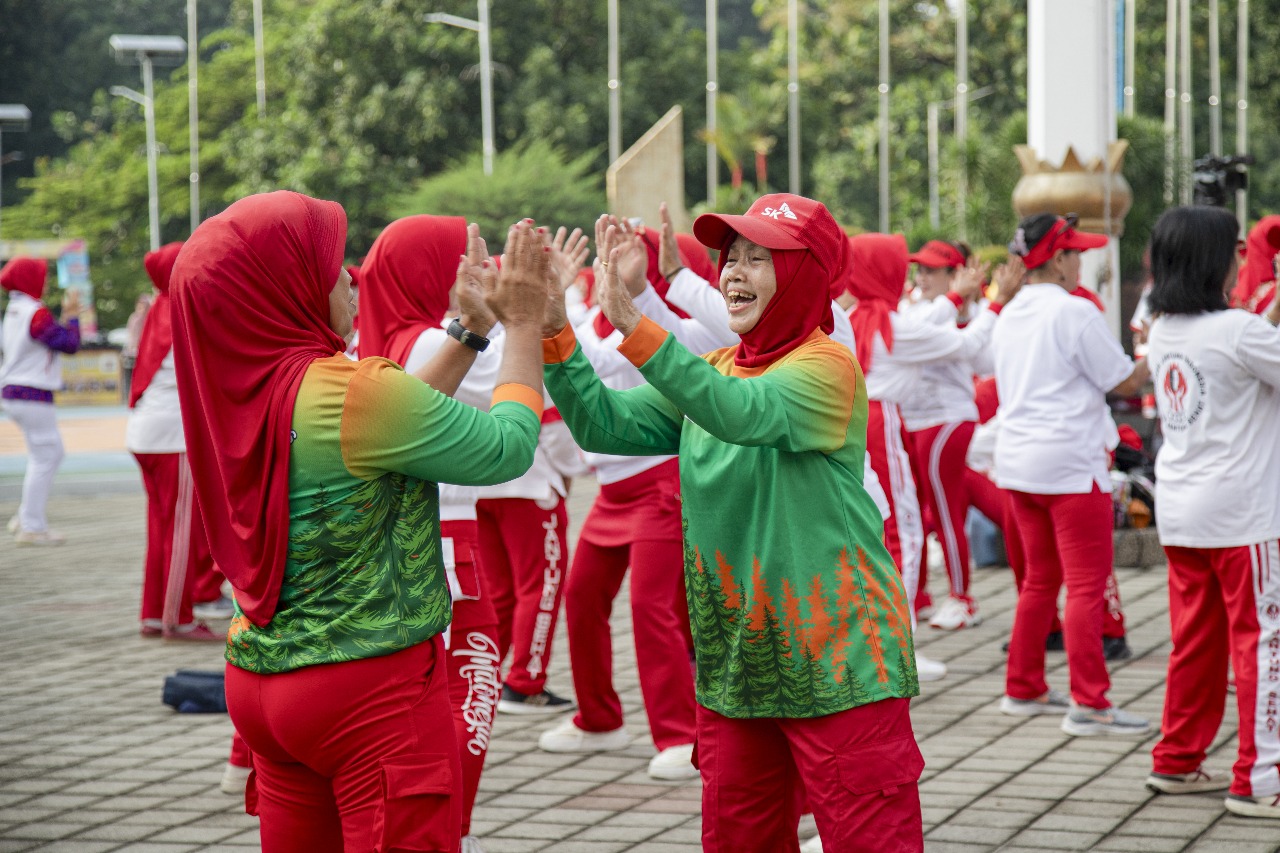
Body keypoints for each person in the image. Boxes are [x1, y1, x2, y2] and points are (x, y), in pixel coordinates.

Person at [170, 190, 549, 853]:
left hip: (264, 683)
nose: (349, 276)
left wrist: (468, 330)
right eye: (328, 264)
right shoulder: (348, 388)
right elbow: (510, 447)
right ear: (281, 287)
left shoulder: (242, 385)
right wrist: (523, 324)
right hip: (366, 692)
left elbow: (388, 424)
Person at [542, 194, 923, 852]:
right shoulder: (715, 367)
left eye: (758, 258)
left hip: (841, 665)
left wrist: (632, 321)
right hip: (736, 669)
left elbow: (739, 411)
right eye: (730, 258)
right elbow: (603, 422)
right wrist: (553, 330)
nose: (733, 273)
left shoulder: (826, 366)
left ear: (805, 274)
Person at [537, 216, 701, 781]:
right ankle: (600, 719)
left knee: (651, 610)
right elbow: (588, 353)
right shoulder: (607, 323)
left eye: (631, 247)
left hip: (660, 486)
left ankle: (681, 736)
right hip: (612, 493)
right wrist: (562, 302)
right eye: (611, 247)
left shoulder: (668, 325)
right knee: (583, 600)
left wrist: (565, 304)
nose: (615, 255)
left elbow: (602, 364)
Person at [1142, 205, 1280, 820]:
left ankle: (1177, 759)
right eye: (1236, 248)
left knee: (1195, 642)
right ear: (1214, 258)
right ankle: (1260, 775)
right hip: (1244, 515)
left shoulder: (1165, 330)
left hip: (1184, 512)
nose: (1242, 258)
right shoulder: (1239, 333)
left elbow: (1241, 345)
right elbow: (1248, 346)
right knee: (1262, 642)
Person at [993, 213, 1149, 736]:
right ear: (1058, 259)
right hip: (1068, 467)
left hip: (1019, 466)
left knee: (1040, 581)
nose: (1082, 259)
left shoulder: (1009, 311)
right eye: (1076, 251)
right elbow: (1124, 380)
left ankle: (1024, 687)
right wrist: (1155, 349)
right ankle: (1091, 704)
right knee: (1084, 586)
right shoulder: (1074, 312)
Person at [125, 241, 222, 641]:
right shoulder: (184, 307)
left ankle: (153, 615)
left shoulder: (160, 307)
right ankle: (177, 619)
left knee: (161, 530)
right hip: (173, 437)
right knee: (181, 534)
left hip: (147, 431)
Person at [899, 239, 992, 630]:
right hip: (914, 420)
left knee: (946, 511)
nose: (921, 277)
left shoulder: (976, 312)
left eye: (931, 271)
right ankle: (918, 594)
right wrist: (954, 302)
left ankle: (962, 598)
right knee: (914, 513)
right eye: (919, 269)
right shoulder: (914, 310)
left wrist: (967, 309)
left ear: (956, 274)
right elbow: (916, 332)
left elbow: (985, 360)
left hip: (948, 419)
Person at [1, 256, 81, 545]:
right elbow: (68, 344)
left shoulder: (15, 309)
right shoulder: (34, 312)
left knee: (47, 454)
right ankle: (32, 525)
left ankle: (26, 516)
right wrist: (72, 316)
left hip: (16, 391)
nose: (46, 282)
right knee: (46, 455)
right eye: (42, 276)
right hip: (32, 392)